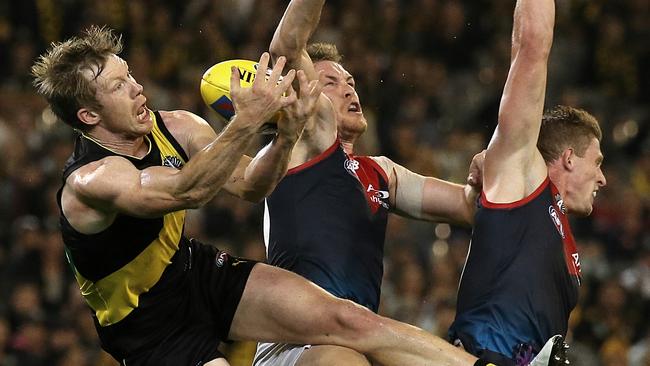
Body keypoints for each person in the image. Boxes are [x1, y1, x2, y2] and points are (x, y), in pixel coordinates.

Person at [33, 26, 502, 366]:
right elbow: (188, 189)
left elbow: (249, 185)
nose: (137, 87)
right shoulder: (90, 182)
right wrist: (245, 121)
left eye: (129, 74)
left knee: (346, 319)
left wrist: (285, 135)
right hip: (149, 330)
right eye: (119, 86)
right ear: (89, 115)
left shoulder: (177, 125)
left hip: (192, 272)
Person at [253, 1, 559, 365]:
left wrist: (486, 178)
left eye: (351, 82)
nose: (350, 90)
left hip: (353, 340)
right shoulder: (303, 141)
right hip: (293, 342)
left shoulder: (381, 172)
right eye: (331, 83)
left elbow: (469, 208)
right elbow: (285, 49)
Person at [447, 0, 607, 365]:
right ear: (568, 158)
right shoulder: (522, 180)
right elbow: (531, 45)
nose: (603, 177)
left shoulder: (562, 232)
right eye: (597, 162)